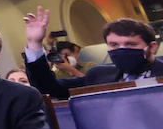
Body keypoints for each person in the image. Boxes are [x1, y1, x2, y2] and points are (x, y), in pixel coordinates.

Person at [24, 9, 163, 99]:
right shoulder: (98, 75)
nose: (121, 50)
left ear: (152, 47)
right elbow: (49, 89)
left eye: (130, 44)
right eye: (114, 45)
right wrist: (35, 43)